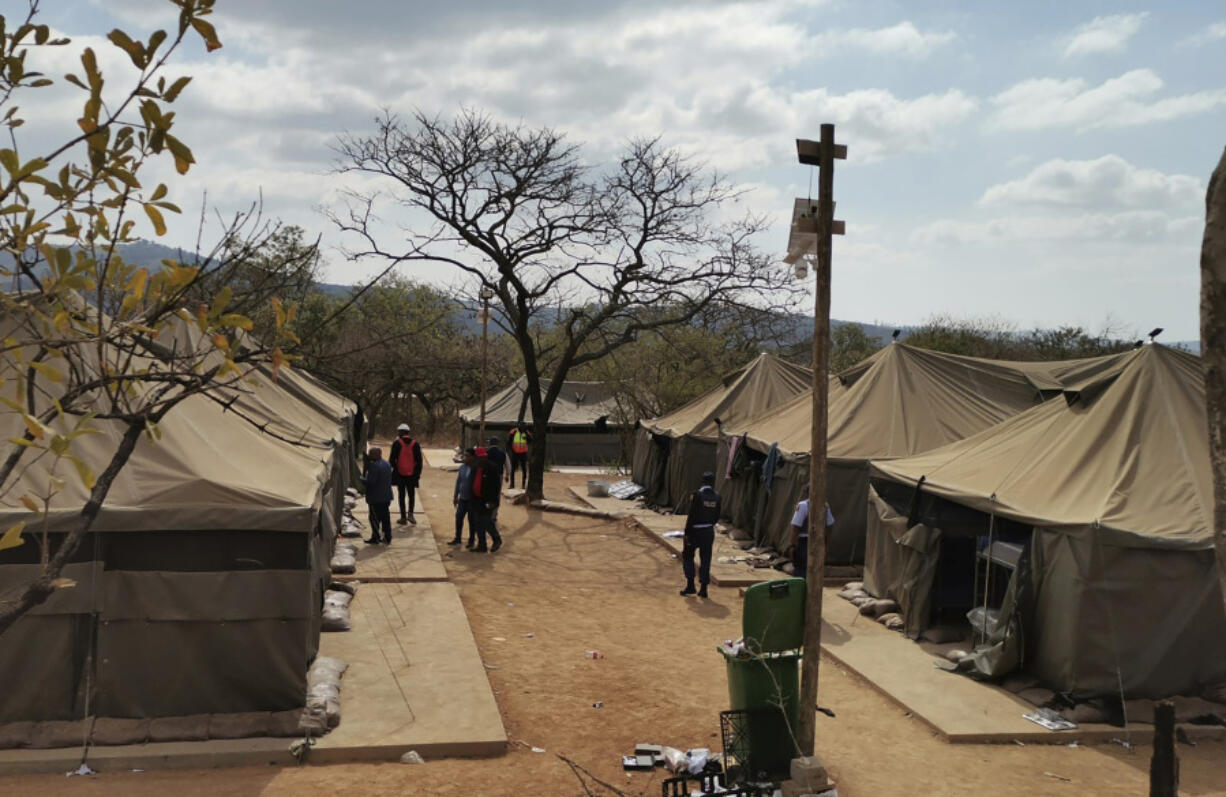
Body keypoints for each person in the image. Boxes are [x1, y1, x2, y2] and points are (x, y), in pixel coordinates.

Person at [680, 472, 721, 598]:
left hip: (694, 531)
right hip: (708, 531)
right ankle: (703, 589)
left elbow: (691, 515)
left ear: (702, 482)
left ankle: (691, 585)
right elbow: (716, 517)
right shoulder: (718, 497)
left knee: (687, 555)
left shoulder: (696, 495)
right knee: (706, 559)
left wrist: (687, 533)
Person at [790, 486, 835, 580]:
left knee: (801, 571)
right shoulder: (825, 506)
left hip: (804, 543)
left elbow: (796, 527)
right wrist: (826, 545)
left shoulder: (802, 505)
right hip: (819, 541)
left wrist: (792, 546)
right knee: (815, 571)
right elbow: (829, 526)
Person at [469, 445, 503, 553]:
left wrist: (492, 501)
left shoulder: (492, 468)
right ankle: (482, 545)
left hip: (488, 501)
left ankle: (496, 539)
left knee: (486, 521)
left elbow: (496, 487)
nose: (480, 460)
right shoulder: (475, 468)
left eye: (482, 457)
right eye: (479, 458)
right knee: (478, 523)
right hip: (477, 500)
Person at [389, 423, 423, 525]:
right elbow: (419, 461)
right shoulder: (415, 444)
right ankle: (411, 514)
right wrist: (417, 474)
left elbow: (391, 460)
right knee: (411, 494)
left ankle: (403, 517)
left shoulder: (397, 443)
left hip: (400, 474)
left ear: (400, 432)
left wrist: (396, 469)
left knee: (401, 495)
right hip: (412, 475)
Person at [361, 446, 393, 545]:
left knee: (374, 518)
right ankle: (388, 537)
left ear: (376, 455)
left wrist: (360, 478)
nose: (369, 456)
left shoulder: (375, 466)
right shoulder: (386, 464)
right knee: (385, 518)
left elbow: (371, 482)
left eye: (371, 454)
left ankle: (375, 537)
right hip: (386, 496)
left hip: (376, 498)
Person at [449, 448, 476, 547]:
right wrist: (456, 495)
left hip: (472, 499)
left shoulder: (475, 469)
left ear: (473, 457)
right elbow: (458, 482)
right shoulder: (462, 468)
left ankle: (471, 540)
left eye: (468, 456)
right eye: (464, 455)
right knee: (459, 517)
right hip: (462, 498)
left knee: (472, 520)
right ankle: (457, 538)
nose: (465, 458)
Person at [507, 422, 532, 488]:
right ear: (518, 426)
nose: (523, 428)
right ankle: (512, 484)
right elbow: (509, 442)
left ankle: (523, 485)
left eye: (524, 426)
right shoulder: (513, 432)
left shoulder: (526, 432)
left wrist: (527, 438)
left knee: (524, 469)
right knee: (513, 469)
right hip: (515, 453)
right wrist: (511, 450)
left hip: (523, 453)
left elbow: (530, 441)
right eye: (522, 426)